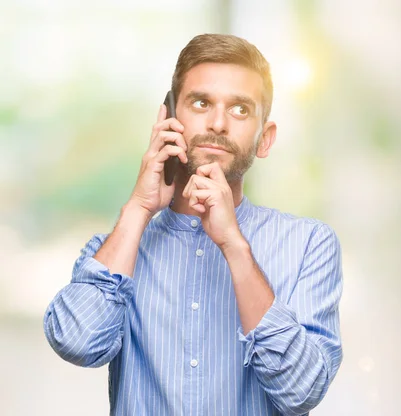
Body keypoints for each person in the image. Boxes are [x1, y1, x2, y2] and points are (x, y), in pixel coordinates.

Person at [43, 33, 343, 415]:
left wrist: (234, 246)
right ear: (168, 120)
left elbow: (300, 391)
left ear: (264, 139)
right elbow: (78, 343)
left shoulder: (309, 245)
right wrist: (138, 208)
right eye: (201, 103)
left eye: (239, 110)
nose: (218, 123)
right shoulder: (117, 249)